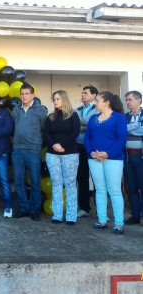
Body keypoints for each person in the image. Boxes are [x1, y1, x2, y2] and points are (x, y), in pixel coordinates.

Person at [85, 91, 127, 234]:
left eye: (97, 101)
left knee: (114, 191)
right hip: (94, 158)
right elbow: (87, 137)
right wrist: (91, 152)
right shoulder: (93, 119)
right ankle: (102, 220)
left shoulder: (119, 118)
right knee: (100, 190)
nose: (95, 103)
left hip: (113, 159)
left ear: (106, 102)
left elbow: (121, 139)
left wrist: (107, 153)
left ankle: (118, 223)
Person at [12, 82, 47, 221]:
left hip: (33, 150)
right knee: (18, 181)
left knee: (35, 181)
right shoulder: (16, 109)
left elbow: (45, 130)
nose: (24, 96)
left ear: (33, 95)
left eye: (27, 93)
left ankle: (34, 210)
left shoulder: (40, 110)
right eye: (22, 93)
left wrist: (37, 143)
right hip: (17, 150)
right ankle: (23, 208)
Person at [44, 90, 80, 225]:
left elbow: (75, 133)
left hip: (69, 153)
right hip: (52, 154)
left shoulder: (73, 116)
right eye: (54, 99)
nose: (55, 101)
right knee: (56, 184)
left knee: (70, 184)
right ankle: (57, 214)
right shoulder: (50, 117)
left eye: (58, 99)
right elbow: (46, 134)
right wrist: (55, 145)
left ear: (64, 99)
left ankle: (71, 216)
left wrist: (62, 144)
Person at [75, 85, 98, 218]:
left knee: (97, 180)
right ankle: (84, 208)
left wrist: (84, 125)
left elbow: (94, 125)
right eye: (82, 93)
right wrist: (84, 126)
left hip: (94, 149)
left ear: (94, 95)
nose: (82, 95)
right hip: (79, 147)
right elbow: (73, 124)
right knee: (82, 178)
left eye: (85, 93)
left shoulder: (98, 109)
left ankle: (101, 210)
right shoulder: (77, 109)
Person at [124, 91, 143, 225]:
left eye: (130, 100)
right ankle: (136, 215)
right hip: (128, 158)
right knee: (132, 187)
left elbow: (126, 130)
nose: (128, 102)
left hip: (141, 158)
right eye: (126, 100)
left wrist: (129, 129)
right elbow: (121, 131)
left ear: (139, 100)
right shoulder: (124, 117)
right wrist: (138, 127)